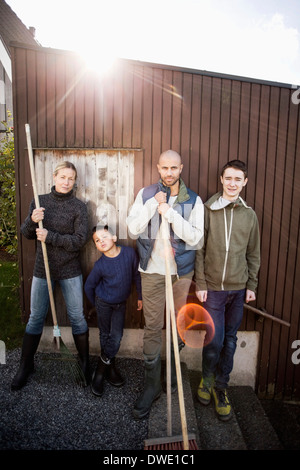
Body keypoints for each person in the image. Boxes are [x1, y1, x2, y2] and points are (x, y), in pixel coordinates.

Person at [126, 149, 204, 419]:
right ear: (158, 168)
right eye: (164, 168)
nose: (169, 173)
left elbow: (195, 239)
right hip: (151, 273)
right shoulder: (146, 194)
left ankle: (171, 375)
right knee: (152, 327)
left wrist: (170, 213)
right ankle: (151, 386)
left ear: (181, 168)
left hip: (180, 274)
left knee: (175, 327)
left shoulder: (193, 200)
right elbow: (133, 229)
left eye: (174, 168)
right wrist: (153, 206)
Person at [11, 161, 90, 390]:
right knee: (36, 317)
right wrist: (32, 220)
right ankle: (26, 366)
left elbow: (79, 241)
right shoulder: (39, 201)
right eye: (62, 177)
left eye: (71, 178)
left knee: (77, 317)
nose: (66, 182)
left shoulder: (78, 207)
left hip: (70, 270)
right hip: (41, 270)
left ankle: (85, 364)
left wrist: (51, 236)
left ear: (74, 181)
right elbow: (26, 234)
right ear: (54, 177)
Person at [195, 159, 260, 421]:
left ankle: (222, 387)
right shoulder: (208, 210)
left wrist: (252, 285)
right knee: (215, 340)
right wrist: (200, 283)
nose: (232, 183)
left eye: (238, 179)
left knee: (230, 341)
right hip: (213, 290)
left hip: (238, 289)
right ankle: (206, 380)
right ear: (221, 179)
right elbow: (199, 250)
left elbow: (253, 253)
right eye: (228, 178)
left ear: (244, 182)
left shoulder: (249, 215)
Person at [84, 224, 142, 396]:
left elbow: (137, 275)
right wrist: (94, 304)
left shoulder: (129, 254)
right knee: (105, 335)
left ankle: (100, 371)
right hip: (103, 303)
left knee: (115, 337)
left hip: (120, 304)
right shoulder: (100, 265)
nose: (101, 241)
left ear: (115, 238)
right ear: (95, 245)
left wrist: (140, 296)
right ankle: (110, 368)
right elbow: (89, 286)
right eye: (97, 240)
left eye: (104, 237)